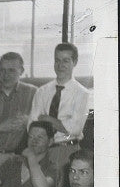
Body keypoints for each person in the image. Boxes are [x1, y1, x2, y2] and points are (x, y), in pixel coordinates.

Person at [28, 42, 90, 171]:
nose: (60, 65)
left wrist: (48, 119)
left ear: (75, 62)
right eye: (57, 60)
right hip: (40, 150)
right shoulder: (42, 91)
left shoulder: (82, 93)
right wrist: (62, 124)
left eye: (66, 61)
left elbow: (75, 129)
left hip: (67, 150)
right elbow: (32, 125)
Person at [0, 120, 59, 187]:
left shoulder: (53, 168)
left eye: (39, 137)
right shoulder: (13, 162)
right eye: (31, 137)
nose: (34, 141)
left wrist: (31, 157)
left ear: (50, 141)